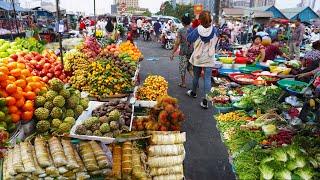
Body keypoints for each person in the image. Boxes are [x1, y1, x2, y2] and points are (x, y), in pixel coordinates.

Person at [186, 11, 219, 109]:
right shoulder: (215, 30)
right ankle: (205, 101)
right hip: (209, 57)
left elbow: (189, 39)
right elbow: (216, 43)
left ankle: (193, 92)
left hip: (198, 57)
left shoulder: (197, 30)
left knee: (196, 76)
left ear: (200, 20)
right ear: (210, 20)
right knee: (207, 79)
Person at [170, 13, 193, 88]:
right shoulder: (193, 29)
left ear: (183, 22)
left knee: (182, 68)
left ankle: (183, 83)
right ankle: (195, 82)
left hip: (183, 52)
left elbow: (177, 43)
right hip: (192, 52)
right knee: (190, 68)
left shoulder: (181, 30)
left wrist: (172, 52)